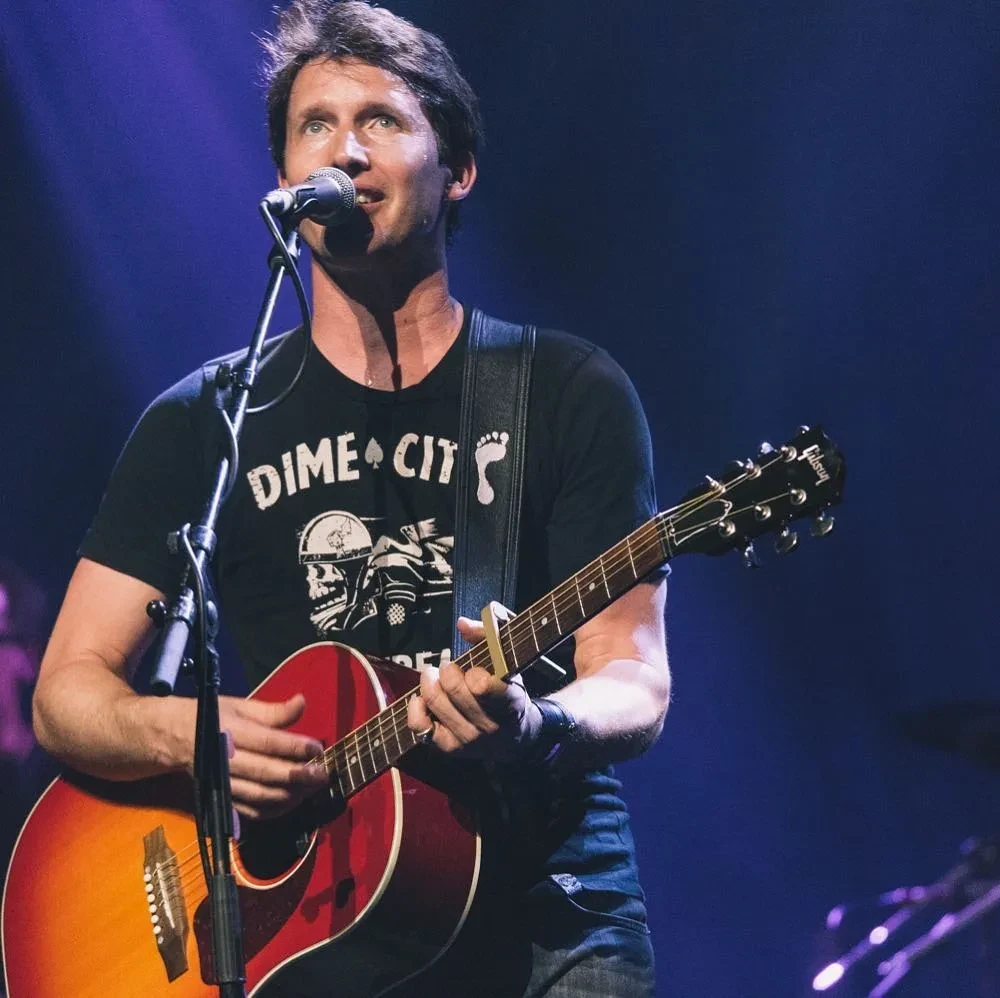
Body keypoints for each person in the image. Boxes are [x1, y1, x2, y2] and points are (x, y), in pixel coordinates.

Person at [31, 2, 670, 995]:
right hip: (314, 930)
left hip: (547, 919)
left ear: (456, 169)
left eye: (381, 119)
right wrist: (192, 737)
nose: (347, 150)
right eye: (316, 125)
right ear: (288, 178)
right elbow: (66, 691)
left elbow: (634, 676)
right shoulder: (207, 418)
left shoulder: (564, 389)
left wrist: (538, 723)